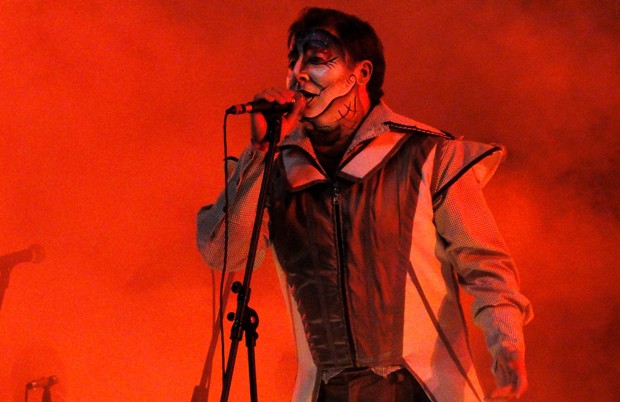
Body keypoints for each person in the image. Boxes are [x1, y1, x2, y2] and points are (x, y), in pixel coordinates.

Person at [197, 7, 532, 402]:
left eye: (317, 59)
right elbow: (225, 253)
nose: (298, 73)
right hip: (325, 392)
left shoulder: (427, 153)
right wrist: (260, 152)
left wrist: (508, 349)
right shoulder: (275, 166)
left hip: (421, 390)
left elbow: (486, 267)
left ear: (361, 73)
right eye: (293, 60)